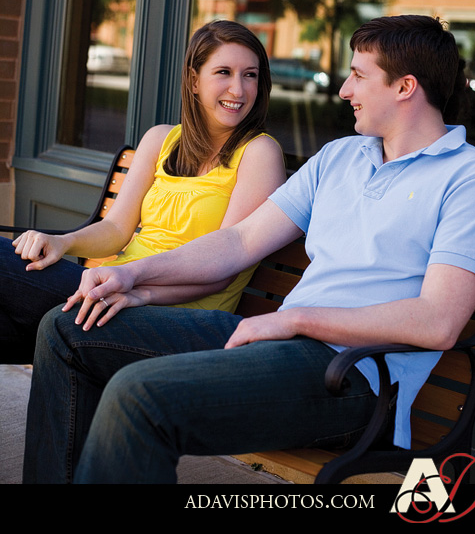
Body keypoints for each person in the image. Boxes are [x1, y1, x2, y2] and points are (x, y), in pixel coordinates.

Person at [23, 15, 475, 485]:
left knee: (139, 393)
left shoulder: (473, 181)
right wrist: (133, 275)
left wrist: (294, 320)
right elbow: (240, 240)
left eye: (358, 75)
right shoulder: (341, 156)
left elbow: (437, 321)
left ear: (405, 87)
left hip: (352, 376)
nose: (344, 91)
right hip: (277, 345)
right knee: (67, 328)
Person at [0, 20, 285, 364]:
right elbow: (116, 229)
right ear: (194, 81)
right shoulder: (161, 139)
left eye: (250, 75)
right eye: (224, 72)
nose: (238, 89)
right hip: (116, 290)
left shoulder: (259, 153)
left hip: (175, 318)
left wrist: (138, 291)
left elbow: (223, 269)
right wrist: (63, 243)